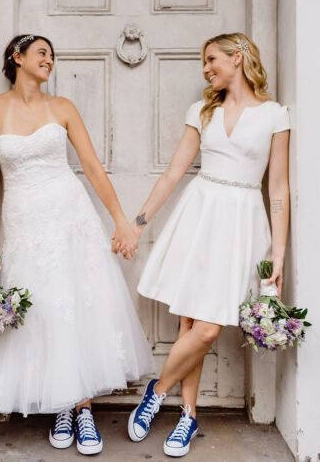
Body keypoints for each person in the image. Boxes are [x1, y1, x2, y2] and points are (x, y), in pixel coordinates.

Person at [0, 34, 153, 456]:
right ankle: (62, 408)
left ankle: (82, 408)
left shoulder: (63, 108)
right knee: (44, 310)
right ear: (17, 57)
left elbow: (91, 166)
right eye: (41, 53)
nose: (49, 60)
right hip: (24, 221)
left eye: (52, 55)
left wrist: (121, 220)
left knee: (76, 306)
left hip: (70, 216)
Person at [116, 33, 290, 458]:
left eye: (212, 60)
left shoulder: (274, 115)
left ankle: (157, 391)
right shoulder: (202, 110)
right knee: (190, 325)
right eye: (203, 63)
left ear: (238, 57)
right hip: (201, 214)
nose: (206, 69)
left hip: (243, 221)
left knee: (210, 326)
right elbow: (174, 173)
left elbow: (279, 188)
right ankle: (189, 416)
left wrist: (278, 252)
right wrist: (138, 222)